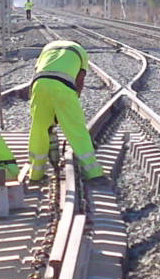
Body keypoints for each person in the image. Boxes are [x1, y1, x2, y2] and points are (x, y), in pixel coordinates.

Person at [27, 38, 104, 181]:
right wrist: (72, 103)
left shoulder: (48, 47)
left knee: (39, 129)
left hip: (38, 85)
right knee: (76, 129)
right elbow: (79, 81)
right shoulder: (80, 51)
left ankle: (35, 174)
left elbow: (38, 71)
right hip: (63, 87)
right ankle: (93, 174)